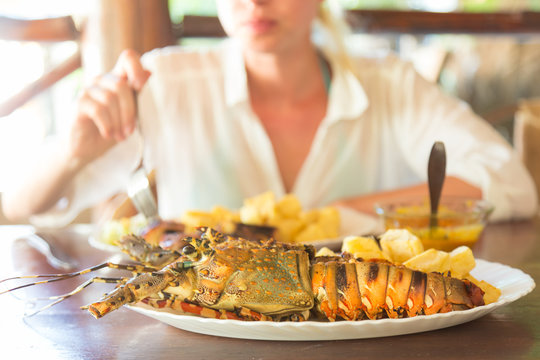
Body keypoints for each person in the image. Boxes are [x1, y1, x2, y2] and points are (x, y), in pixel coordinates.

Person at [2, 0, 537, 227]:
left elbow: (510, 183)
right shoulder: (166, 84)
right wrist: (73, 152)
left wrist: (342, 211)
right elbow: (22, 206)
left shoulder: (390, 85)